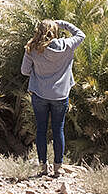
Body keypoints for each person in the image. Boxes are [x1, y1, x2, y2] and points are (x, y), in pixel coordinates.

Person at [20, 19, 85, 177]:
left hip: (40, 94)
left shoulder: (32, 48)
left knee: (41, 130)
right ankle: (58, 167)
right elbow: (81, 34)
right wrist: (62, 23)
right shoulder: (67, 45)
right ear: (55, 31)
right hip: (60, 96)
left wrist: (39, 73)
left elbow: (24, 71)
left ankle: (43, 166)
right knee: (58, 129)